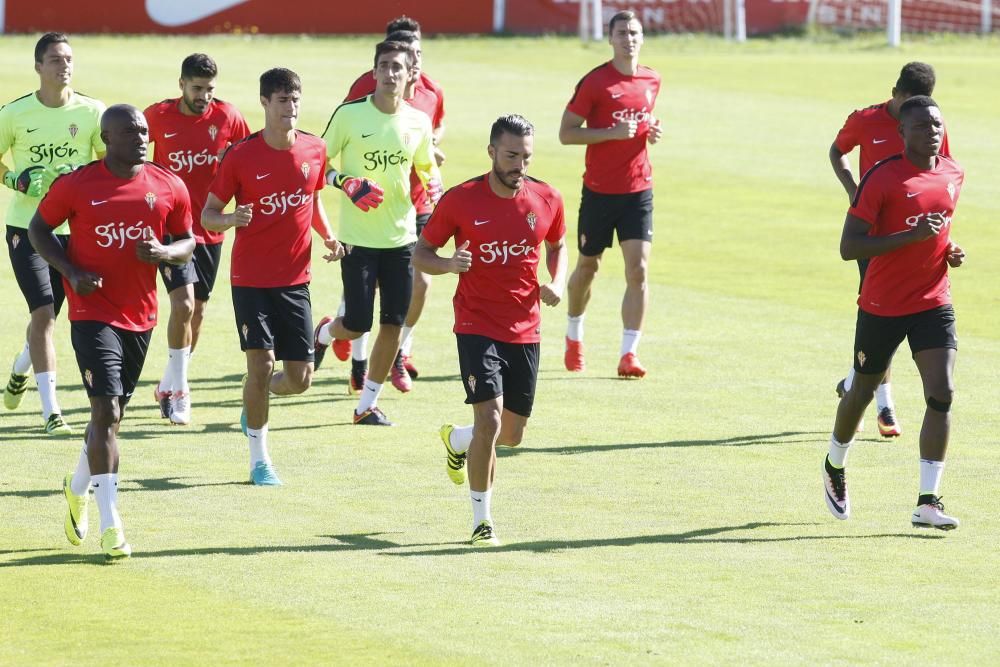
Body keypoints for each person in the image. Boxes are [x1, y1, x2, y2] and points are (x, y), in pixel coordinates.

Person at [29, 104, 195, 560]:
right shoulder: (78, 185)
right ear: (106, 138)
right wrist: (69, 270)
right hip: (90, 313)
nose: (141, 138)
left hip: (140, 316)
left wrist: (164, 251)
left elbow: (189, 241)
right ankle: (111, 523)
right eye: (129, 132)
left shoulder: (167, 185)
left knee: (112, 415)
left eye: (143, 131)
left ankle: (76, 485)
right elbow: (39, 229)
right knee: (106, 412)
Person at [413, 114, 567, 546]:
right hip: (476, 322)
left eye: (527, 156)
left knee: (511, 435)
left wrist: (555, 281)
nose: (520, 164)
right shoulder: (462, 200)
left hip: (526, 327)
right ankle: (483, 522)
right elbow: (421, 254)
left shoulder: (546, 198)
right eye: (512, 155)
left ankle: (457, 439)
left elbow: (558, 245)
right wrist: (448, 264)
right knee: (491, 418)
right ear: (492, 152)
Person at [822, 96, 964, 531]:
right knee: (862, 392)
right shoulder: (881, 179)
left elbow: (937, 234)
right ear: (902, 134)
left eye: (937, 124)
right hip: (882, 304)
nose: (932, 132)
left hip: (933, 300)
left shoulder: (953, 173)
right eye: (922, 126)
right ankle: (834, 462)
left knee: (942, 392)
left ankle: (928, 502)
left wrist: (948, 251)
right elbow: (850, 248)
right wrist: (909, 236)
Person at [203, 68, 343, 486]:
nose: (291, 108)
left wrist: (330, 236)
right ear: (264, 103)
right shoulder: (240, 156)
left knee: (300, 380)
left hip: (295, 280)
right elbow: (208, 212)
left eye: (295, 100)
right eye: (282, 100)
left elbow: (312, 199)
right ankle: (259, 460)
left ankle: (255, 394)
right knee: (262, 364)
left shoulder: (314, 150)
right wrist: (230, 218)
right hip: (250, 281)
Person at [314, 40, 441, 425]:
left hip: (401, 238)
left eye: (397, 68)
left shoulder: (418, 120)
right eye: (384, 66)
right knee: (356, 323)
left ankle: (366, 404)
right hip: (357, 240)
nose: (390, 74)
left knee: (393, 324)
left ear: (409, 75)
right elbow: (318, 165)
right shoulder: (349, 116)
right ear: (373, 73)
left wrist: (434, 183)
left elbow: (426, 165)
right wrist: (346, 182)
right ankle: (323, 334)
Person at [829, 61, 951, 438]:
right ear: (895, 93)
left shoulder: (927, 125)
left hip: (918, 244)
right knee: (884, 314)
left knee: (897, 315)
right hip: (875, 238)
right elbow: (837, 151)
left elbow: (940, 176)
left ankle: (873, 397)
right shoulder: (866, 119)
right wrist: (853, 189)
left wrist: (944, 239)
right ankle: (875, 396)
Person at [0, 32, 105, 434]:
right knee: (42, 312)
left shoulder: (93, 112)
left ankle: (19, 369)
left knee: (49, 319)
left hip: (74, 230)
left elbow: (104, 165)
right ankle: (51, 412)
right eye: (56, 60)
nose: (65, 66)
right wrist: (15, 179)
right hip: (27, 228)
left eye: (69, 59)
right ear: (38, 66)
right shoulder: (15, 114)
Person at [144, 53, 251, 425]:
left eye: (209, 89)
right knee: (184, 305)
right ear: (181, 85)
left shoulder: (229, 117)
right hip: (169, 228)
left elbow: (248, 163)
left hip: (209, 229)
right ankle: (181, 392)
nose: (204, 96)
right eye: (197, 88)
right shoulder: (156, 116)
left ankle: (169, 382)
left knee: (198, 310)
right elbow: (133, 157)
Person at [340, 23, 447, 392]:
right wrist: (348, 182)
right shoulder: (361, 94)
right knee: (359, 311)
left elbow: (432, 139)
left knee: (421, 285)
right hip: (364, 215)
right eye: (405, 54)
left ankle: (398, 355)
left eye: (417, 54)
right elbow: (335, 145)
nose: (411, 61)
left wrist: (433, 168)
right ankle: (355, 356)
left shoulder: (431, 96)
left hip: (412, 206)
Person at [559, 10, 661, 379]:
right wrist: (611, 133)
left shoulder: (652, 79)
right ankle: (574, 334)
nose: (628, 39)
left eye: (634, 32)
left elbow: (641, 122)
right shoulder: (595, 82)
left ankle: (629, 353)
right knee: (589, 267)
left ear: (642, 37)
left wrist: (649, 132)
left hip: (638, 191)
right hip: (600, 192)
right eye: (621, 33)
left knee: (639, 269)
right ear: (610, 38)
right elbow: (567, 133)